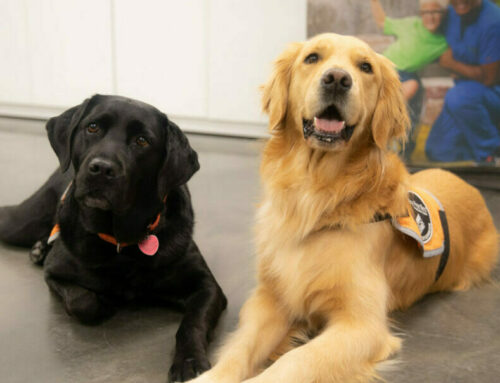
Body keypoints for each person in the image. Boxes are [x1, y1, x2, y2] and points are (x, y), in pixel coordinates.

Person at [370, 0, 448, 159]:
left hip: (405, 73)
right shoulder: (411, 25)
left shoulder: (444, 41)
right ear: (421, 15)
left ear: (443, 15)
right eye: (426, 13)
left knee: (413, 85)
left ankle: (385, 119)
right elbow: (382, 22)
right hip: (385, 68)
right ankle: (378, 116)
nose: (431, 17)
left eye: (435, 13)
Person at [426, 0, 500, 164]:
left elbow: (490, 79)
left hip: (491, 94)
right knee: (436, 151)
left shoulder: (493, 22)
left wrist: (452, 64)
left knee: (458, 97)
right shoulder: (451, 13)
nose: (460, 1)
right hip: (466, 97)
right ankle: (478, 149)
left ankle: (492, 152)